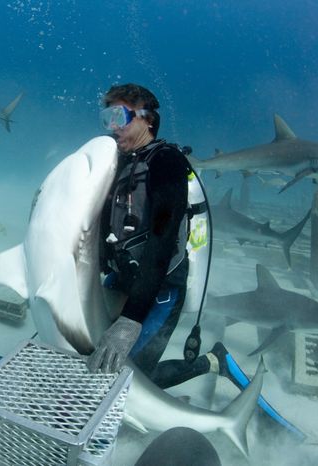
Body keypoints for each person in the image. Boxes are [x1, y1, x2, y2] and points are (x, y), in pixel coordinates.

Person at [87, 83, 228, 389]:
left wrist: (131, 319)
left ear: (147, 119)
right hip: (122, 276)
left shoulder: (167, 163)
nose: (112, 127)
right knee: (91, 355)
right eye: (105, 118)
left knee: (130, 379)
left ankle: (213, 362)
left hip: (161, 286)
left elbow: (163, 242)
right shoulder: (119, 162)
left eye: (119, 116)